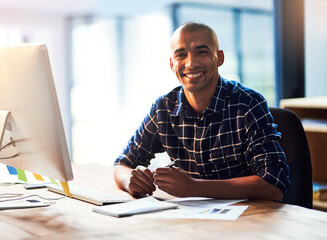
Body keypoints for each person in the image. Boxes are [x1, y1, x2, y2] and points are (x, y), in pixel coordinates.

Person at [114, 21, 290, 200]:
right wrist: (131, 181)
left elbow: (273, 184)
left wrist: (194, 188)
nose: (191, 63)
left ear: (219, 58)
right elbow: (122, 164)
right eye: (181, 55)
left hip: (249, 218)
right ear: (171, 64)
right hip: (192, 221)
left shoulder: (248, 104)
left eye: (202, 52)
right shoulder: (164, 108)